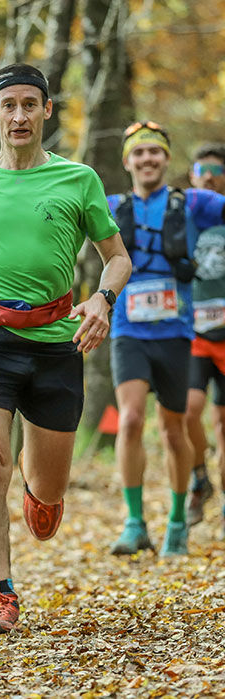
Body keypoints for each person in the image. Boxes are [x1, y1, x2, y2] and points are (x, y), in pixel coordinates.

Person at [0, 63, 131, 635]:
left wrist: (102, 299)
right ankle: (0, 591)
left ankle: (39, 489)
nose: (19, 115)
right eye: (9, 105)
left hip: (56, 340)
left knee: (46, 499)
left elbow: (117, 257)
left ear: (47, 111)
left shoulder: (78, 180)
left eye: (31, 105)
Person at [108, 123, 225, 557]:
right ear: (127, 162)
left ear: (166, 160)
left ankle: (177, 522)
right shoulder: (109, 206)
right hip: (128, 330)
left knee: (174, 429)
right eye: (139, 154)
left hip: (177, 332)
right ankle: (134, 522)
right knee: (131, 419)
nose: (147, 160)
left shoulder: (194, 202)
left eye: (155, 153)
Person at [184, 143, 225, 529]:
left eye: (217, 169)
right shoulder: (184, 217)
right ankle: (200, 476)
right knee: (187, 411)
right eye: (203, 169)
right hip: (195, 332)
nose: (210, 175)